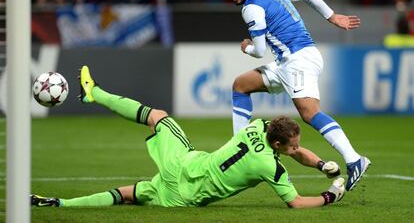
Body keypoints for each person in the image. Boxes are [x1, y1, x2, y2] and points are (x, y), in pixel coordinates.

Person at [31, 65, 345, 208]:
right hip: (185, 197)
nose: (297, 149)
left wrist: (320, 165)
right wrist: (330, 194)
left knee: (158, 117)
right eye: (292, 145)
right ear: (277, 145)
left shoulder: (256, 127)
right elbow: (298, 202)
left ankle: (94, 94)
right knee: (128, 195)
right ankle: (61, 204)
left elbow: (295, 150)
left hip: (183, 165)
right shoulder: (271, 167)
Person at [218, 0, 370, 191]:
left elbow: (259, 51)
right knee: (241, 85)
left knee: (310, 113)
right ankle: (238, 144)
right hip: (293, 60)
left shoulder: (251, 8)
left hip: (297, 61)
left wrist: (246, 46)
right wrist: (332, 16)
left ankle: (354, 159)